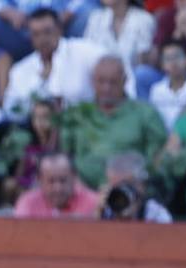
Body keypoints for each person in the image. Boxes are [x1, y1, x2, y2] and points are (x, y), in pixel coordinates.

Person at [62, 55, 166, 189]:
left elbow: (157, 158)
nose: (106, 88)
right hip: (81, 193)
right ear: (92, 81)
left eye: (113, 82)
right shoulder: (76, 114)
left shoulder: (146, 113)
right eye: (101, 81)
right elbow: (64, 157)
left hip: (131, 190)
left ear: (125, 81)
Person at [3, 8, 104, 116]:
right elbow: (10, 110)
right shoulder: (20, 70)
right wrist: (40, 83)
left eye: (47, 32)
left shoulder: (85, 52)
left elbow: (112, 64)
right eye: (36, 34)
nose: (42, 39)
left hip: (84, 123)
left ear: (59, 30)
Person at [83, 0, 155, 83]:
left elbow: (142, 63)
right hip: (102, 83)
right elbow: (88, 55)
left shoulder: (144, 20)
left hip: (131, 83)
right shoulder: (96, 18)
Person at [13, 148, 101, 215]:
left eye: (63, 181)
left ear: (74, 177)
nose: (57, 188)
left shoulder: (94, 203)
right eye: (51, 181)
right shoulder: (28, 203)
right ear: (39, 180)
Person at [99, 150, 172, 220]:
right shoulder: (106, 210)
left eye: (125, 186)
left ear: (141, 185)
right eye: (115, 187)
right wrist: (98, 214)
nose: (120, 193)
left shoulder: (155, 213)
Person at [149, 40, 186, 129]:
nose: (173, 62)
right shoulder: (156, 90)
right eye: (168, 58)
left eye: (177, 56)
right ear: (162, 65)